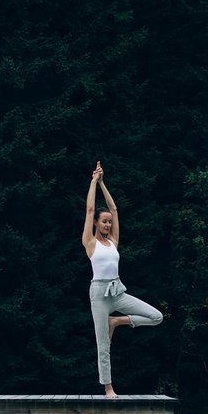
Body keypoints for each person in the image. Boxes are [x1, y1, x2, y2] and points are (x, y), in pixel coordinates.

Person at [82, 160, 163, 398]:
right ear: (96, 223)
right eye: (103, 221)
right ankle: (108, 387)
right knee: (103, 345)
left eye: (109, 222)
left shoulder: (113, 242)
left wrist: (104, 183)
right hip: (99, 295)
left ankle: (117, 322)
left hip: (118, 291)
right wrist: (93, 182)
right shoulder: (90, 243)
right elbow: (88, 209)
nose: (107, 224)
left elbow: (115, 209)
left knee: (156, 317)